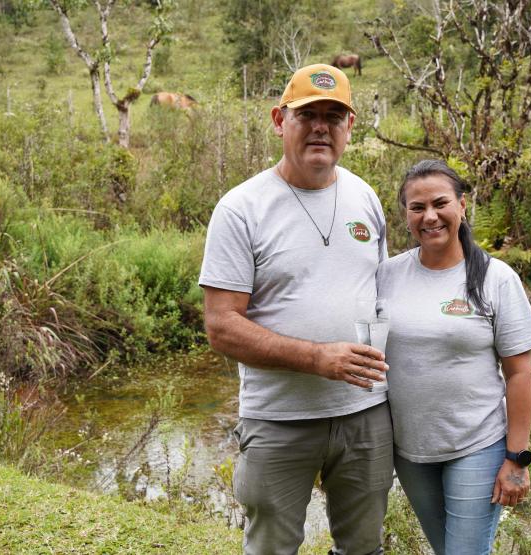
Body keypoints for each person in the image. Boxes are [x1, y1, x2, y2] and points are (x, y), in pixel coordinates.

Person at [199, 64, 393, 555]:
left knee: (362, 547)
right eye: (307, 115)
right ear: (279, 120)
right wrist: (316, 358)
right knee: (272, 547)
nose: (321, 127)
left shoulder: (365, 198)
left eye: (334, 115)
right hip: (278, 419)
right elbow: (221, 327)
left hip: (365, 414)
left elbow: (383, 297)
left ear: (350, 127)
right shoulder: (242, 208)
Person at [377, 160, 531, 554]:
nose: (430, 216)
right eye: (417, 207)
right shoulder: (387, 275)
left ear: (462, 206)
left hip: (477, 444)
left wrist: (517, 459)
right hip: (411, 450)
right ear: (406, 214)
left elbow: (520, 374)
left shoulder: (495, 277)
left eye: (440, 203)